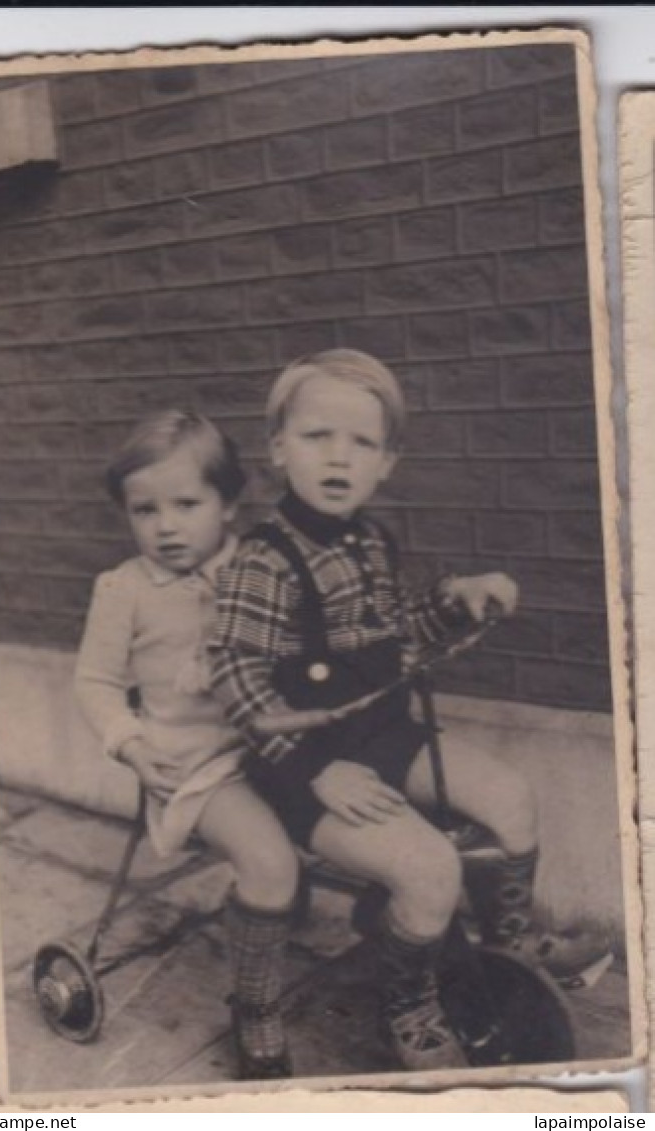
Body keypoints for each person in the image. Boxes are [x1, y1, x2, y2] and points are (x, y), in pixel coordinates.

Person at [208, 349, 540, 1072]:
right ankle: (410, 1001)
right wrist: (315, 769)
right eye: (318, 435)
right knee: (429, 866)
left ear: (387, 461)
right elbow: (236, 678)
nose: (340, 457)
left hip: (383, 733)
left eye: (362, 442)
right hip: (303, 768)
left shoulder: (369, 541)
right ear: (278, 448)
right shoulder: (262, 562)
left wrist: (458, 599)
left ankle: (501, 953)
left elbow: (401, 635)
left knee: (512, 799)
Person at [74, 410, 300, 1081]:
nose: (166, 525)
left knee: (366, 809)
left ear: (228, 504)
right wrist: (130, 742)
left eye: (187, 504)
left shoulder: (257, 566)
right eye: (145, 510)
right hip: (194, 764)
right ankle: (255, 1004)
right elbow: (95, 681)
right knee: (269, 858)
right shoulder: (125, 591)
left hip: (272, 745)